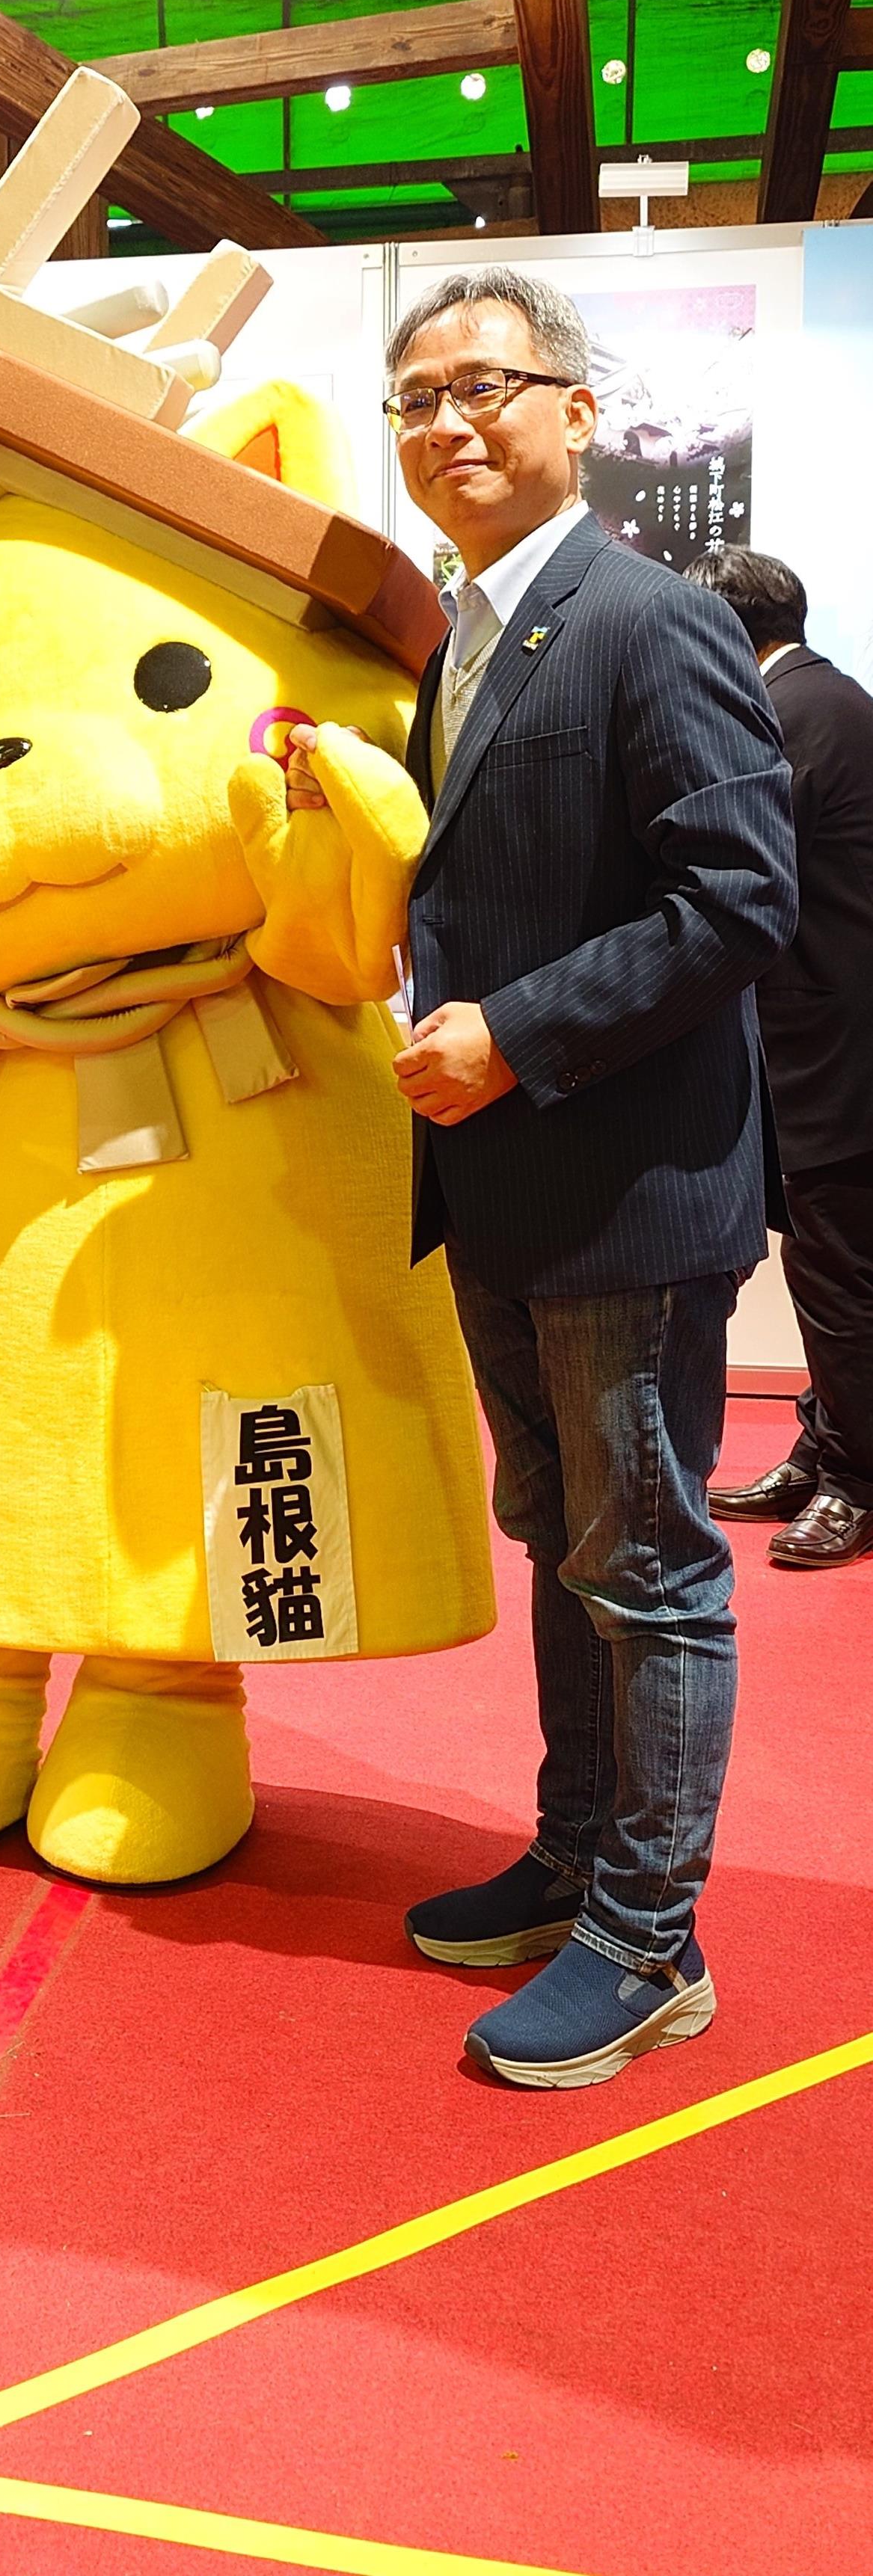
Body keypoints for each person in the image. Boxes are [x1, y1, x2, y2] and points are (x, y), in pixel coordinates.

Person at [377, 267, 796, 2089]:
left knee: (650, 1564)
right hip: (501, 1185)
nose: (448, 422)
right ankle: (573, 1850)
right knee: (562, 1539)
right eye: (417, 398)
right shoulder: (461, 641)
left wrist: (515, 1030)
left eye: (484, 384)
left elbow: (741, 898)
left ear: (576, 409)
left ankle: (649, 1931)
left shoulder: (649, 619)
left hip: (625, 1183)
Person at [687, 547, 873, 1567]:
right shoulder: (821, 698)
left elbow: (741, 873)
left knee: (839, 1274)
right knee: (830, 1268)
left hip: (831, 1053)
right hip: (829, 1043)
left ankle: (856, 1480)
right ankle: (825, 1447)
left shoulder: (794, 713)